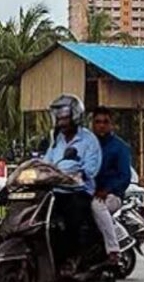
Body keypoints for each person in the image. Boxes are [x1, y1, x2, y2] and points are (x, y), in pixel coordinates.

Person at [43, 95, 103, 269]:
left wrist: (80, 173)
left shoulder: (89, 140)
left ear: (75, 117)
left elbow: (92, 167)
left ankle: (74, 258)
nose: (61, 121)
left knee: (71, 219)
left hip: (78, 191)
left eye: (65, 117)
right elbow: (47, 162)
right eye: (59, 117)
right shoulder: (57, 141)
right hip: (57, 191)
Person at [91, 106, 130, 263]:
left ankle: (113, 250)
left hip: (112, 196)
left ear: (111, 124)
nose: (101, 125)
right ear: (92, 124)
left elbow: (125, 177)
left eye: (105, 122)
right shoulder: (88, 145)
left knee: (97, 205)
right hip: (88, 192)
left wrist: (107, 190)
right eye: (97, 122)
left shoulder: (120, 147)